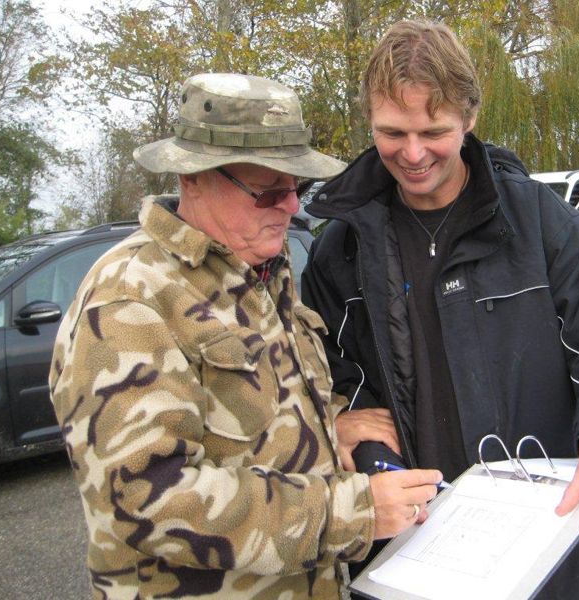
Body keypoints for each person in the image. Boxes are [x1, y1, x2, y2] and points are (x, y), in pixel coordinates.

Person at [301, 21, 579, 599]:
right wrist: (338, 421)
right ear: (369, 121)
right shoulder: (338, 248)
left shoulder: (539, 222)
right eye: (392, 132)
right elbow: (317, 373)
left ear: (469, 119)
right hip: (409, 551)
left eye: (434, 131)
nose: (413, 154)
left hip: (544, 547)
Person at [48, 72, 442, 600]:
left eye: (296, 188)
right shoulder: (130, 302)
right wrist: (355, 512)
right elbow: (151, 497)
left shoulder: (258, 270)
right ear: (194, 179)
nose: (291, 208)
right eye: (267, 192)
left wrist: (332, 426)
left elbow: (260, 416)